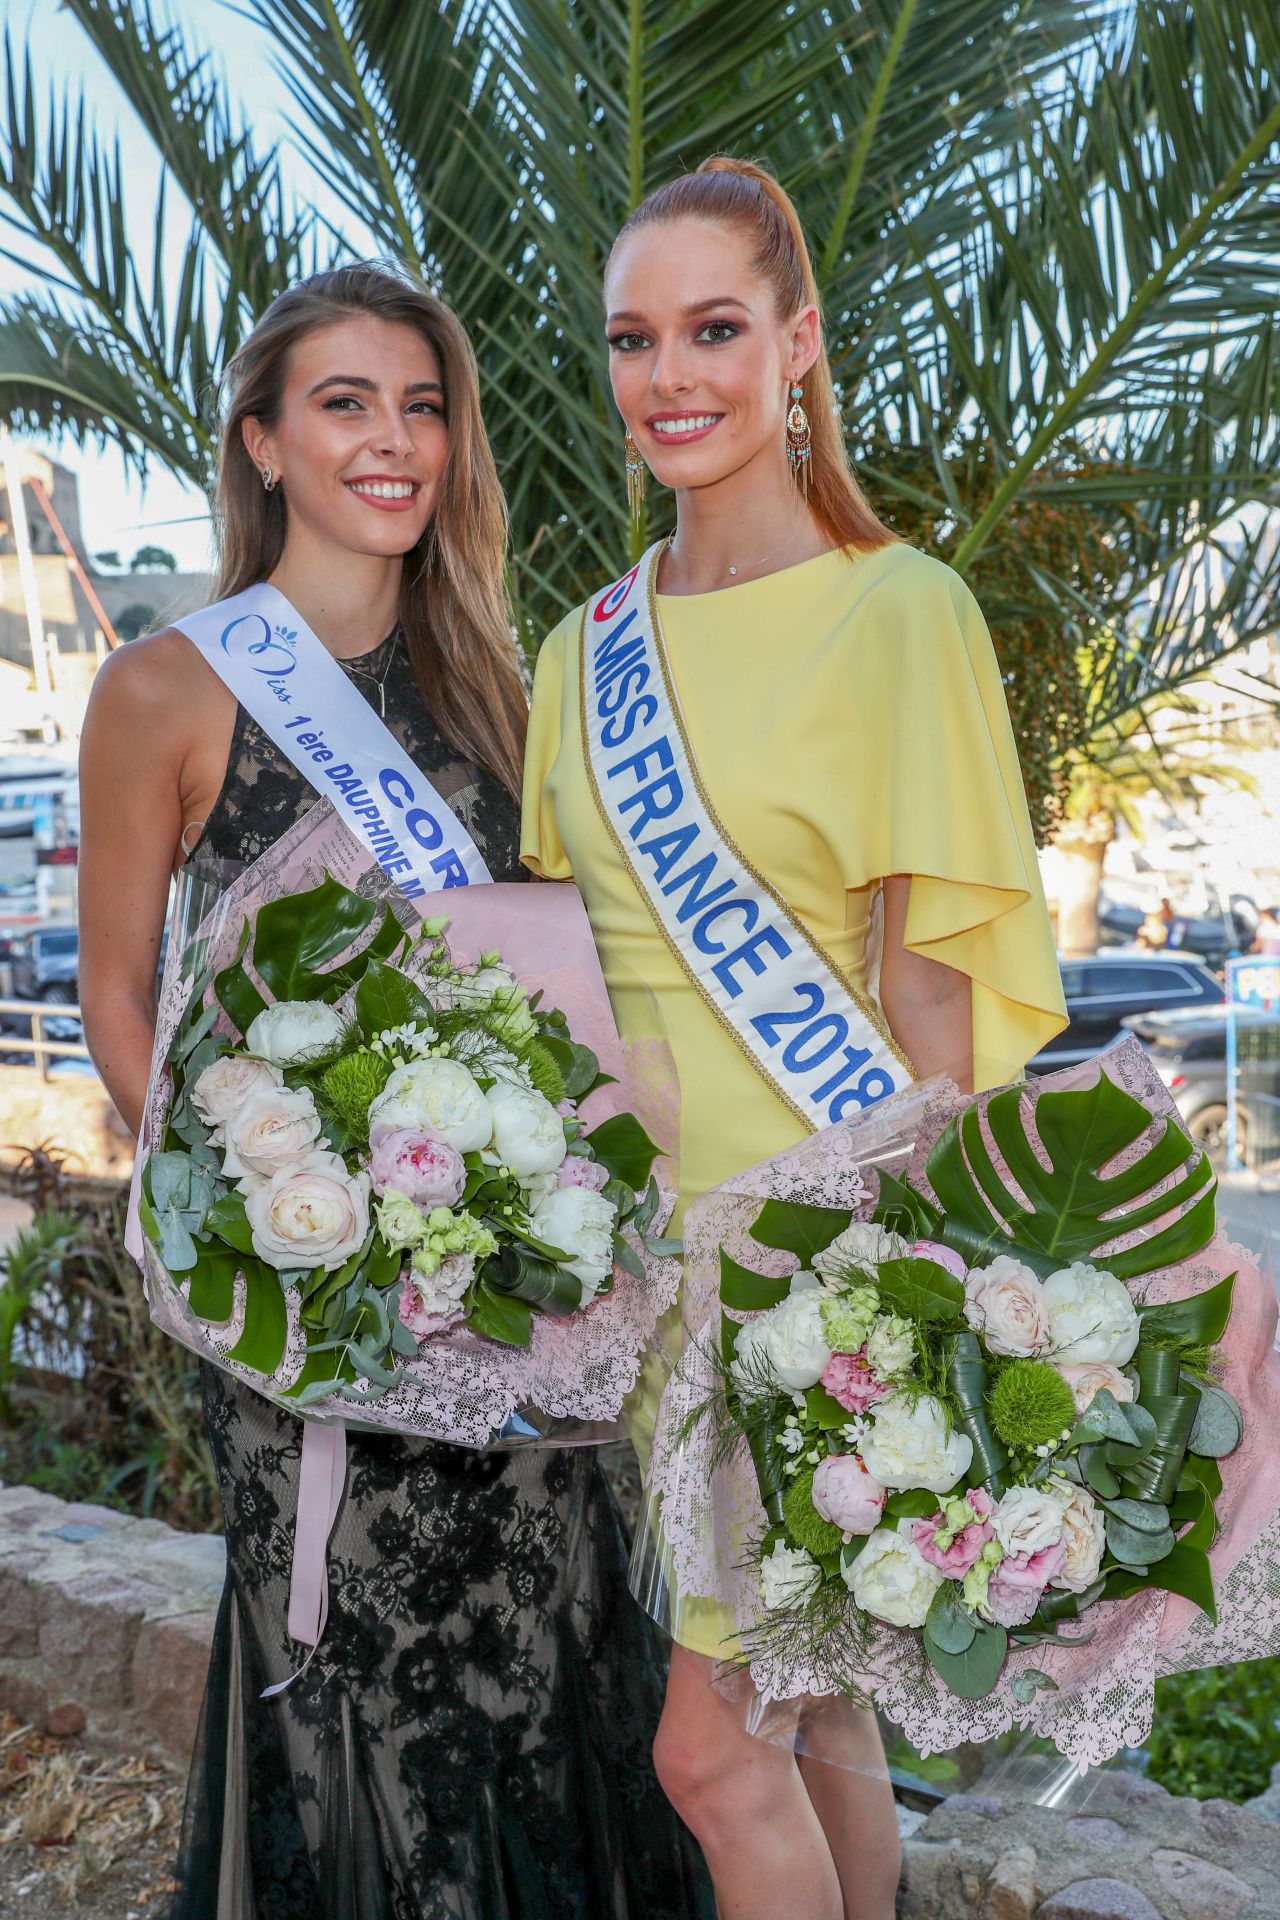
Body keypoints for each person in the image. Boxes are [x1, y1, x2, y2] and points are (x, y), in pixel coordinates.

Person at [78, 262, 710, 1920]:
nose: (394, 441)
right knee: (350, 1653)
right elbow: (123, 998)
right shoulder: (167, 685)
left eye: (423, 406)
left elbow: (561, 1002)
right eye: (345, 402)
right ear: (262, 442)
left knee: (544, 1646)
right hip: (294, 1306)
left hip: (506, 1289)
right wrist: (265, 1247)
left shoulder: (509, 687)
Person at [521, 158, 1066, 1920]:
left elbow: (927, 1002)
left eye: (714, 330)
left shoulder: (896, 612)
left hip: (819, 1262)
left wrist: (953, 1295)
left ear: (799, 344)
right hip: (646, 1281)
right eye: (633, 339)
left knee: (712, 1749)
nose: (669, 377)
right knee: (810, 1708)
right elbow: (568, 985)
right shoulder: (578, 653)